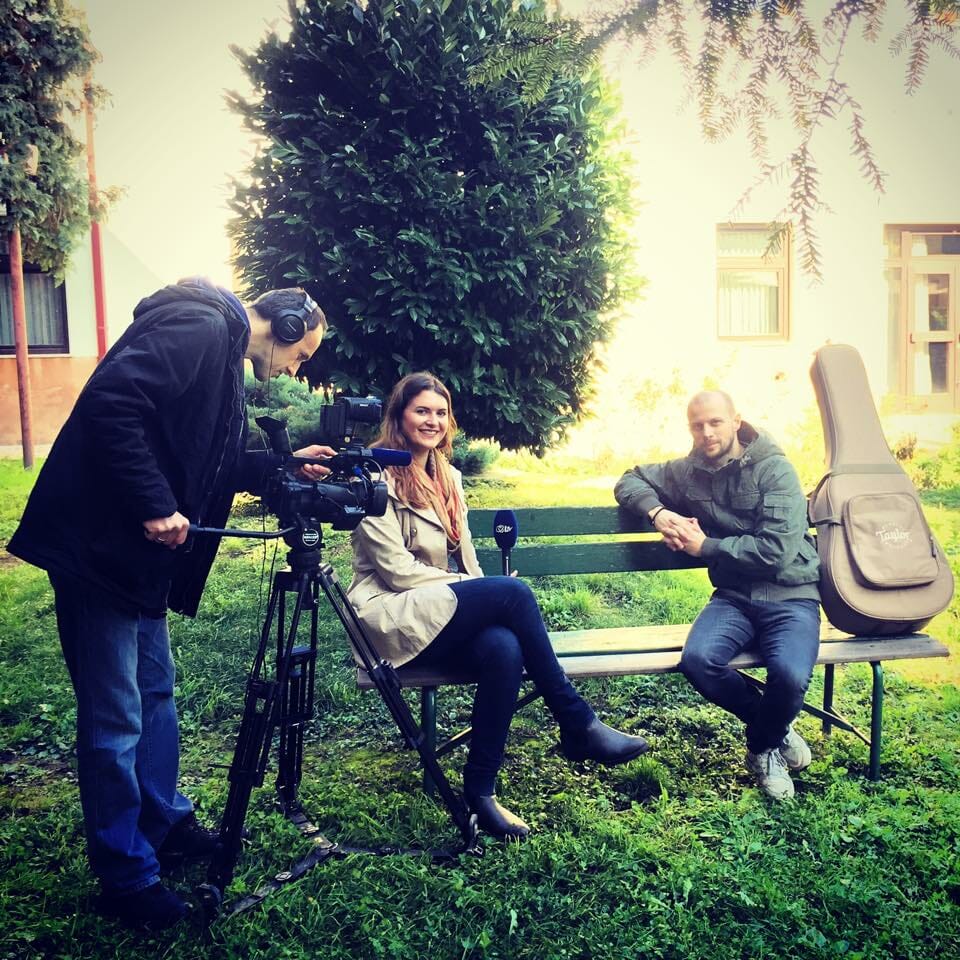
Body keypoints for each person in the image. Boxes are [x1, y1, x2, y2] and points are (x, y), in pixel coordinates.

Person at [7, 278, 333, 930]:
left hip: (137, 561)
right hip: (98, 551)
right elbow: (111, 403)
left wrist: (280, 466)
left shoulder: (221, 351)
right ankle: (126, 876)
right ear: (287, 327)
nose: (295, 369)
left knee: (155, 692)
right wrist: (156, 503)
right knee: (116, 716)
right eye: (301, 356)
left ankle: (163, 822)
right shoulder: (199, 327)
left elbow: (209, 457)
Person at [347, 372, 649, 840]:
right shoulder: (372, 477)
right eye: (421, 411)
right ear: (399, 416)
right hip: (392, 616)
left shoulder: (448, 477)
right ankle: (577, 723)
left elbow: (465, 553)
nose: (432, 421)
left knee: (504, 647)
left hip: (439, 612)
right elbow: (397, 572)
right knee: (513, 593)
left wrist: (479, 589)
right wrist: (480, 590)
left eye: (440, 413)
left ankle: (480, 791)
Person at [614, 390, 821, 801]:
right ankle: (775, 729)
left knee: (789, 675)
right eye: (697, 425)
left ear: (736, 421)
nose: (706, 432)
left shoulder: (775, 469)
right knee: (698, 660)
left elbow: (776, 552)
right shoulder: (687, 472)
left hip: (791, 596)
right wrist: (659, 512)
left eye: (715, 422)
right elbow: (629, 479)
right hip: (735, 597)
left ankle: (762, 747)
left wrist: (704, 547)